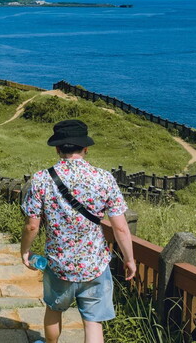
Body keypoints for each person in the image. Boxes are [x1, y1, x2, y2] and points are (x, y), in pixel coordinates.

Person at [20, 119, 136, 343]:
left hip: (58, 263)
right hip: (95, 263)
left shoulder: (41, 179)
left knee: (54, 310)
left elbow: (32, 225)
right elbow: (120, 227)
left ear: (57, 148)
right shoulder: (104, 178)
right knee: (93, 321)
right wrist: (129, 259)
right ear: (85, 148)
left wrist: (25, 251)